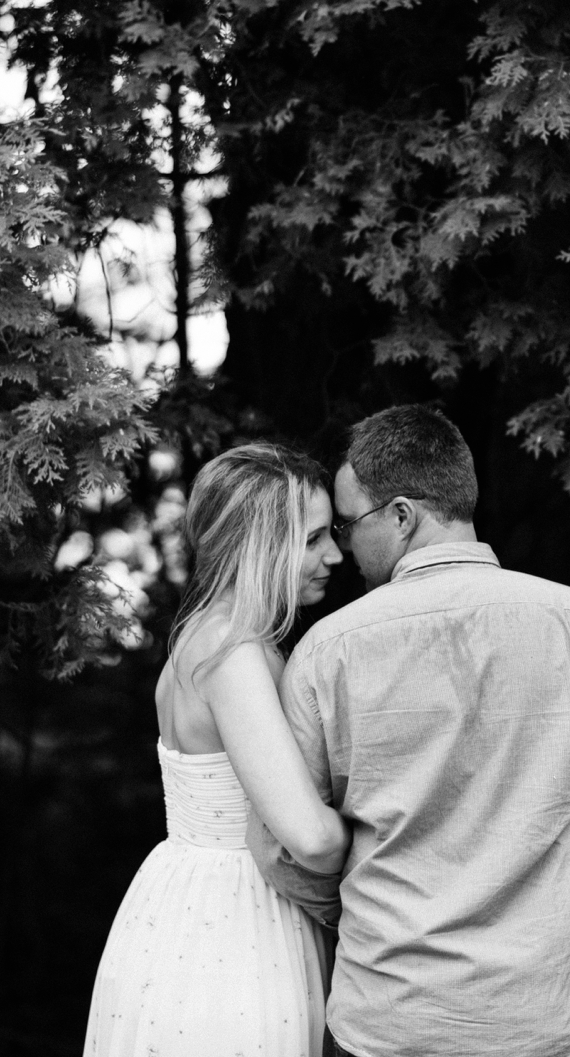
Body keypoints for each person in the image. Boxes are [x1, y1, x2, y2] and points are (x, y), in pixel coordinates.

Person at [247, 405, 570, 1057]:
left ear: (401, 516)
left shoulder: (328, 651)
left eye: (346, 523)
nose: (340, 549)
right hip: (557, 1025)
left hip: (391, 1022)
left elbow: (283, 849)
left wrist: (372, 916)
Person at [83, 443, 348, 1057]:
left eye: (331, 534)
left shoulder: (204, 638)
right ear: (260, 545)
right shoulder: (234, 652)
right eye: (311, 540)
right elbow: (309, 836)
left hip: (181, 902)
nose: (334, 554)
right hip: (237, 922)